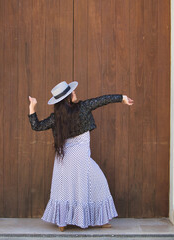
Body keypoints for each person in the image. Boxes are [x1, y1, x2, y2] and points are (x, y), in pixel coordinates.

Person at [28, 81, 133, 231]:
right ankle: (101, 219)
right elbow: (103, 100)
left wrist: (32, 107)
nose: (75, 93)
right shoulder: (83, 107)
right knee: (99, 184)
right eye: (73, 93)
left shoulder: (56, 117)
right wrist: (122, 97)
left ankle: (62, 223)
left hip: (63, 160)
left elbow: (36, 126)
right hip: (81, 158)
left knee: (65, 188)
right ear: (68, 98)